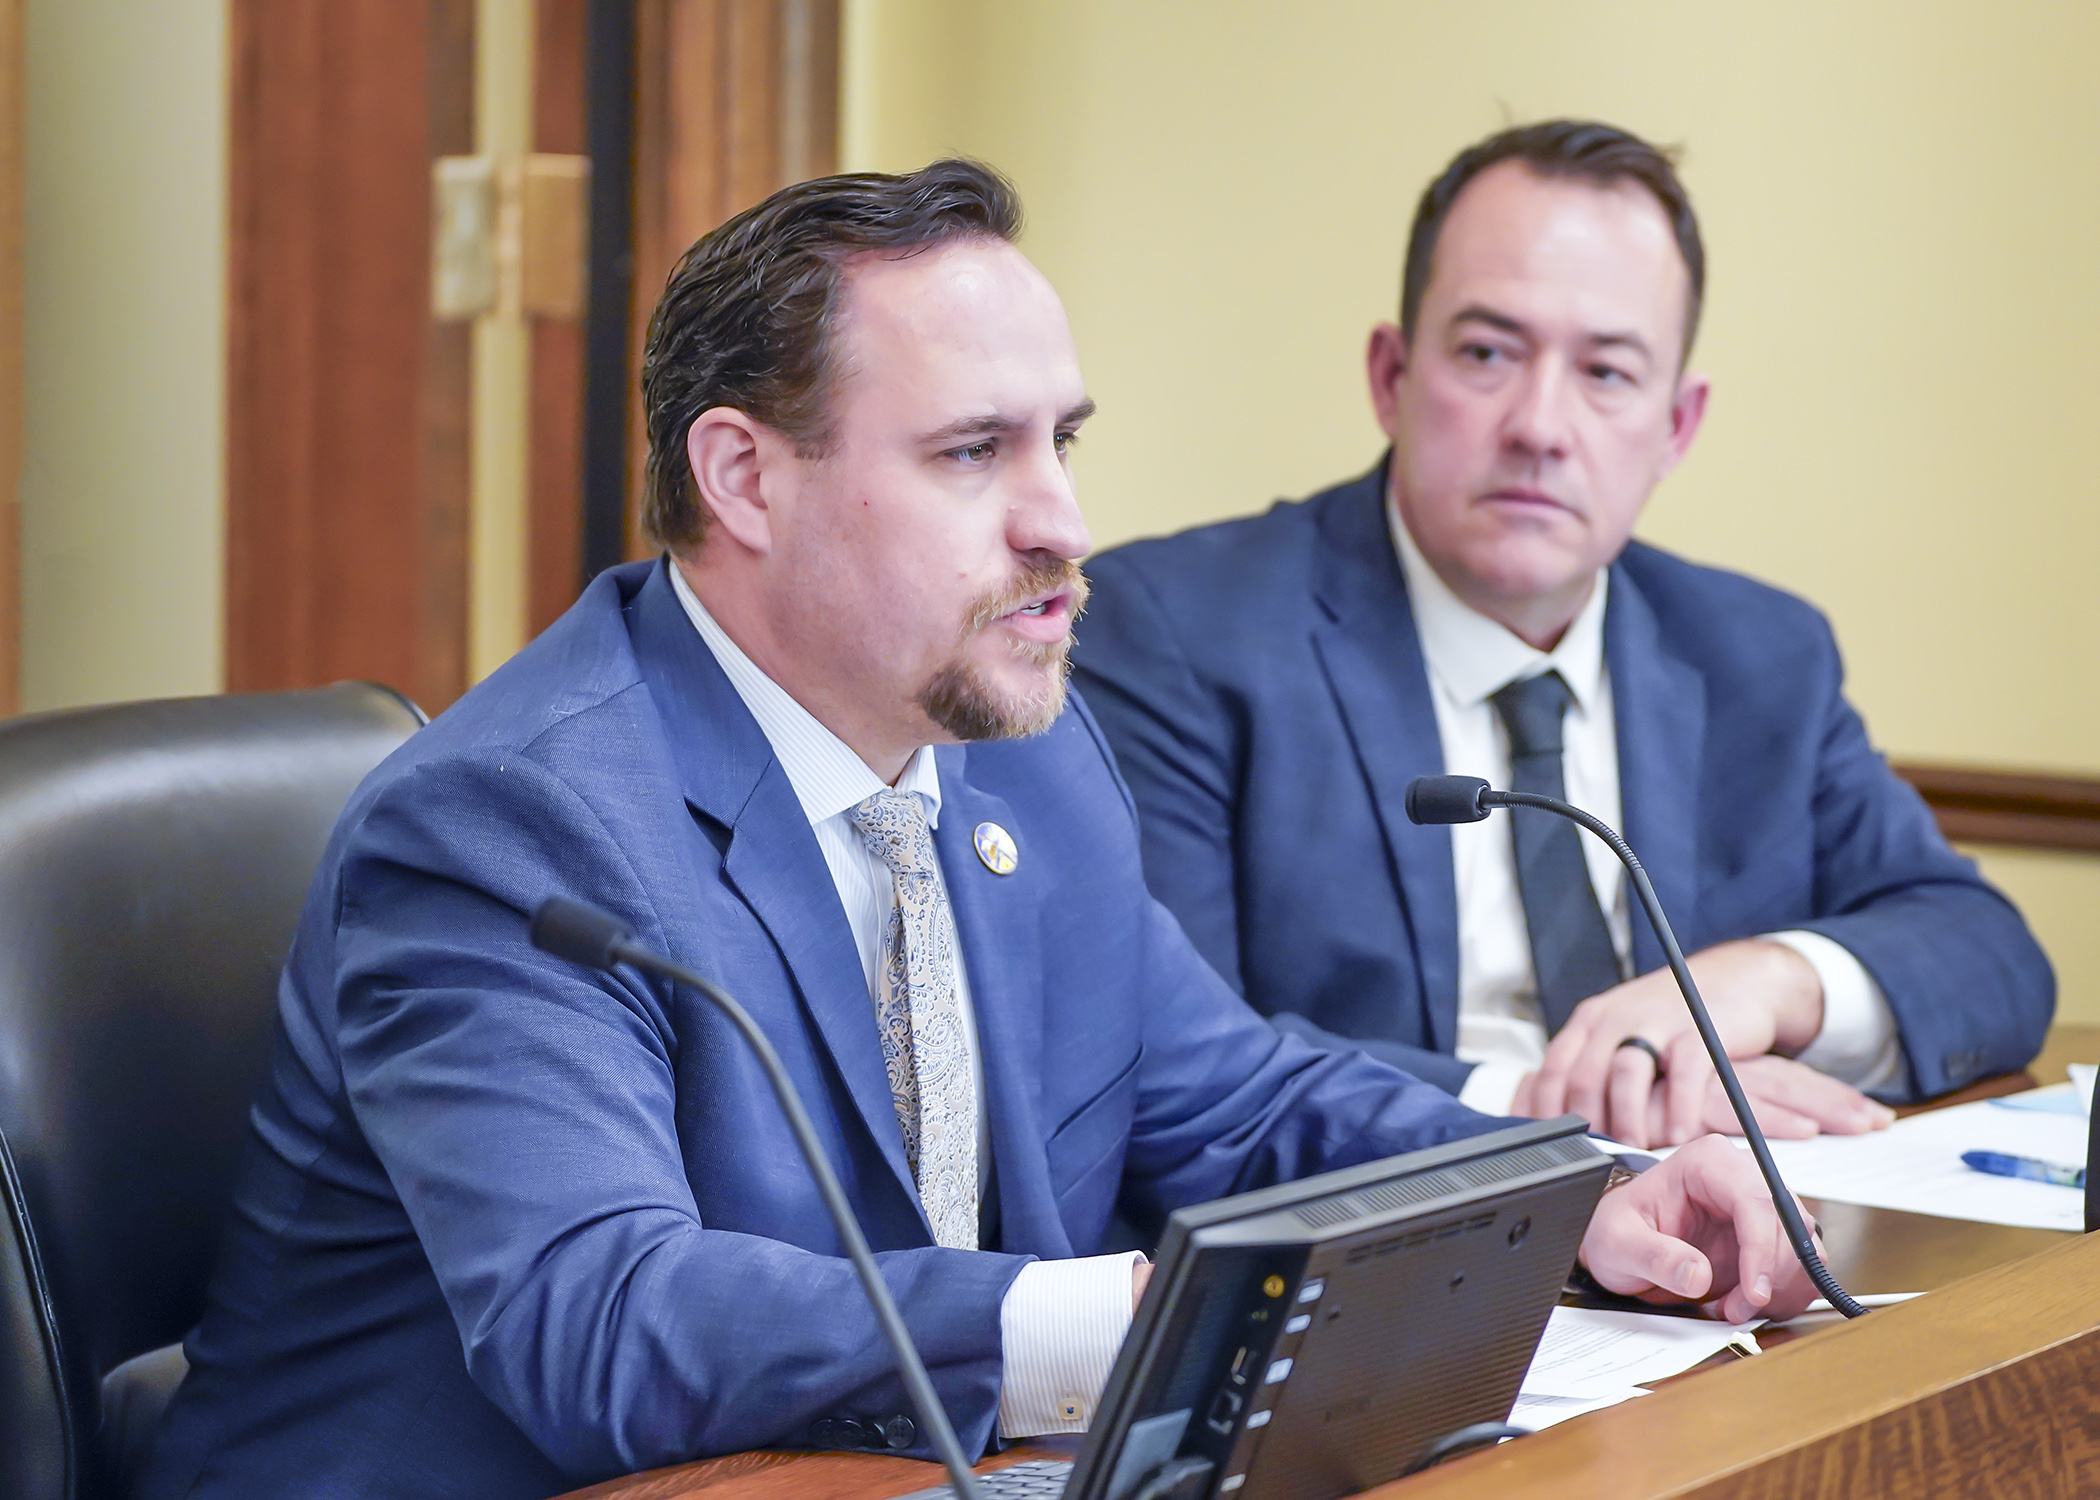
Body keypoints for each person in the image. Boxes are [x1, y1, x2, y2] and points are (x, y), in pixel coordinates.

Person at [143, 160, 1816, 1500]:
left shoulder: (1019, 752)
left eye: (1064, 442)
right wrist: (1106, 1324)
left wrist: (1574, 1190)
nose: (1062, 523)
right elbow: (604, 1320)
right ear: (744, 478)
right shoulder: (516, 827)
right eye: (973, 454)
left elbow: (1236, 1105)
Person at [1071, 121, 2053, 1153]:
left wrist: (1761, 982)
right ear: (1391, 378)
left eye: (1608, 373)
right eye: (1489, 353)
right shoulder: (1177, 634)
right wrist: (1560, 1103)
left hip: (1723, 1259)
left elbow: (1990, 956)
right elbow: (1169, 1054)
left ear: (1677, 426)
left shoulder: (1760, 654)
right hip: (1389, 1262)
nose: (1541, 425)